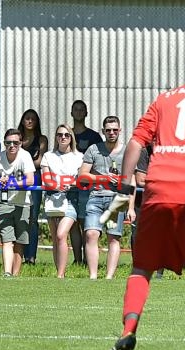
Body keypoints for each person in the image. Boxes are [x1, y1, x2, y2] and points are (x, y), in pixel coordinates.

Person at [101, 42, 185, 350]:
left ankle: (128, 330)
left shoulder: (166, 98)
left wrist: (125, 187)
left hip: (157, 190)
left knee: (142, 268)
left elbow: (136, 142)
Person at [78, 116, 134, 280]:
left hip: (117, 200)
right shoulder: (93, 149)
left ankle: (109, 277)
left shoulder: (127, 151)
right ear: (103, 131)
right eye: (108, 130)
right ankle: (93, 276)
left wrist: (130, 207)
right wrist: (102, 179)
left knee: (113, 237)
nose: (111, 133)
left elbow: (132, 181)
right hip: (95, 197)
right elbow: (82, 177)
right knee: (91, 235)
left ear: (120, 131)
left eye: (115, 130)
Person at [0, 129, 35, 276]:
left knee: (20, 241)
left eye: (15, 142)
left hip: (23, 203)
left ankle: (15, 274)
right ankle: (7, 273)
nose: (12, 145)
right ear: (4, 143)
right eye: (8, 142)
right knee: (7, 239)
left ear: (21, 143)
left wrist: (12, 183)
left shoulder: (25, 156)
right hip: (4, 202)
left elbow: (31, 180)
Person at [41, 124, 83, 278]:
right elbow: (46, 179)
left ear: (71, 137)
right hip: (52, 198)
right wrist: (56, 186)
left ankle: (60, 274)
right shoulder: (48, 156)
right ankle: (59, 271)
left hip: (71, 199)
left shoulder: (79, 157)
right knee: (55, 238)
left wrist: (71, 184)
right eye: (60, 135)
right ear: (56, 137)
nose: (63, 137)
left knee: (61, 235)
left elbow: (81, 180)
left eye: (66, 134)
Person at [71, 100, 103, 265]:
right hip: (68, 183)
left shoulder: (94, 137)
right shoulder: (66, 134)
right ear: (71, 112)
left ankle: (86, 259)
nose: (78, 112)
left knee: (85, 222)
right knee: (72, 223)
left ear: (86, 113)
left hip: (87, 186)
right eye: (75, 109)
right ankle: (77, 260)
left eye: (82, 109)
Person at [18, 109, 48, 265]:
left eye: (33, 119)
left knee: (33, 218)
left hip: (35, 179)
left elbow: (39, 162)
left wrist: (23, 162)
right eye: (27, 118)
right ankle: (19, 256)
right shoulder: (17, 138)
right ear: (22, 121)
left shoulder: (41, 139)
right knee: (19, 216)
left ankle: (31, 257)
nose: (29, 121)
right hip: (18, 178)